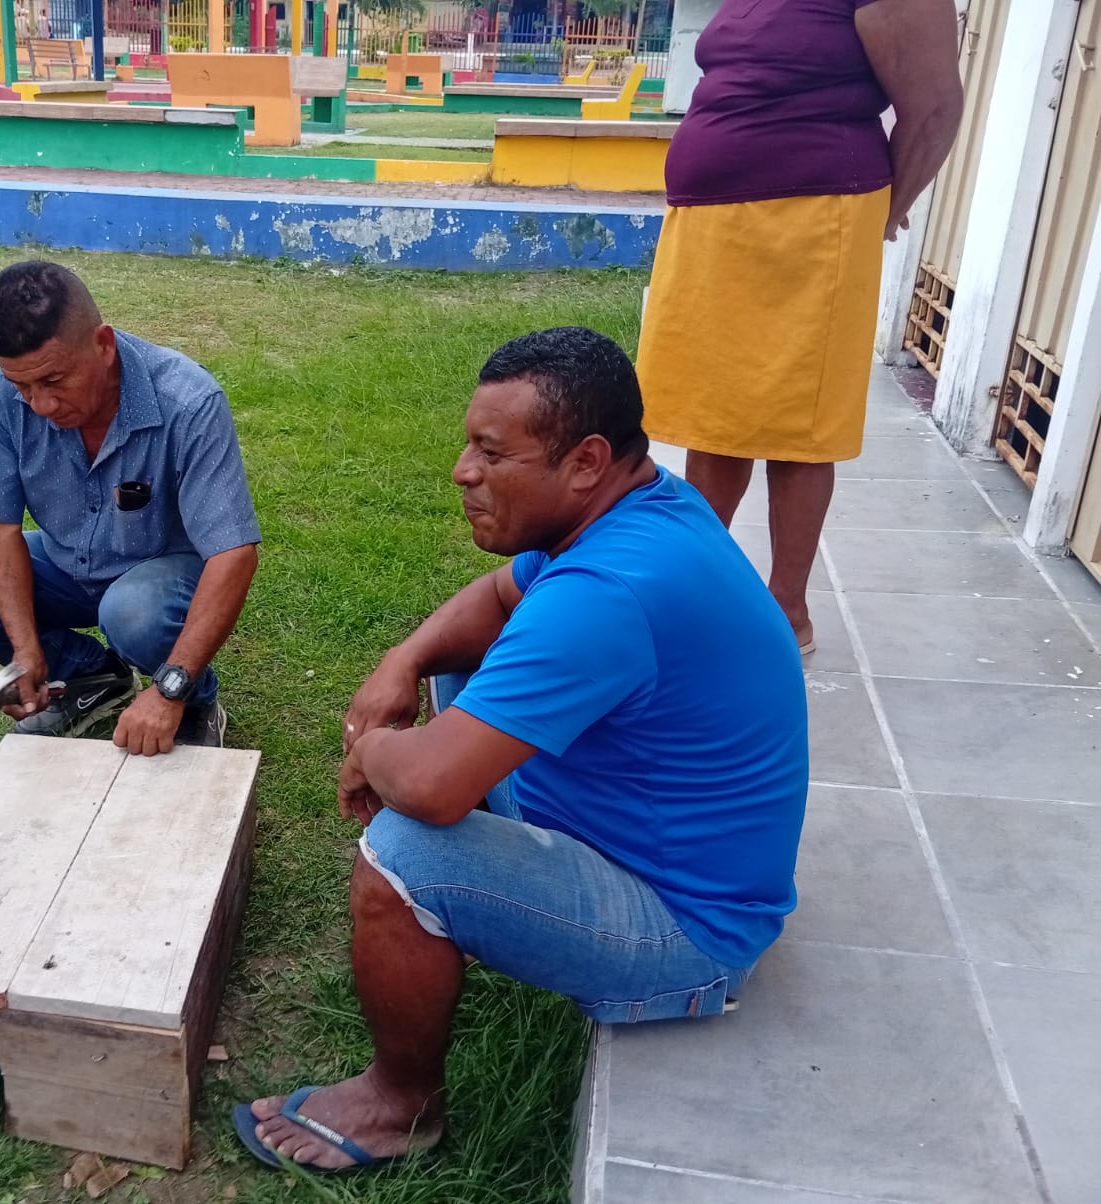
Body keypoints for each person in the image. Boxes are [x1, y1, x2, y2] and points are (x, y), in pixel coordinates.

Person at [233, 328, 808, 1171]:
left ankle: (399, 1106)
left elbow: (430, 787)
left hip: (688, 932)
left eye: (492, 452)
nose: (462, 471)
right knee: (459, 674)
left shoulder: (608, 591)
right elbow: (501, 598)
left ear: (586, 461)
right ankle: (481, 908)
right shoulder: (640, 507)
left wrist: (372, 750)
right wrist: (402, 661)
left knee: (405, 851)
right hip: (640, 835)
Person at [636, 0, 963, 653]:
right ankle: (698, 588)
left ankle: (787, 611)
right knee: (717, 415)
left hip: (810, 224)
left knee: (800, 426)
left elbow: (934, 108)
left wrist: (885, 211)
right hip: (719, 224)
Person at [0, 261, 260, 754]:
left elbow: (233, 554)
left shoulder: (188, 400)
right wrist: (25, 650)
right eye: (23, 387)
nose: (40, 405)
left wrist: (169, 689)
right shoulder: (1, 388)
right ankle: (91, 676)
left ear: (104, 344)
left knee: (132, 611)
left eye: (54, 379)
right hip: (67, 562)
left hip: (162, 579)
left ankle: (193, 699)